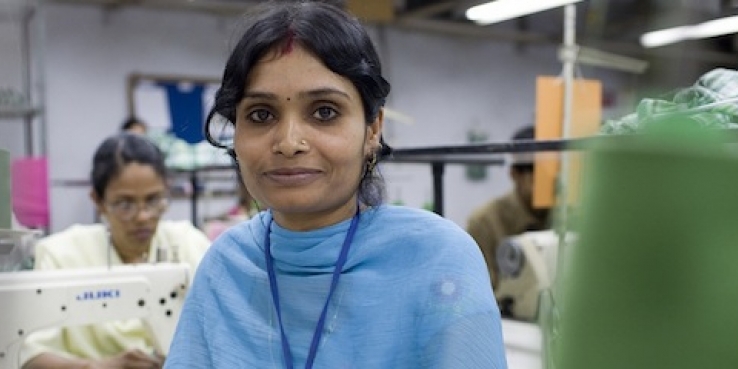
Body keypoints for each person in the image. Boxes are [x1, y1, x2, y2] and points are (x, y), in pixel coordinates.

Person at [165, 2, 506, 368]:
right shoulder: (226, 265)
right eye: (261, 114)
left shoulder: (438, 261)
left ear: (373, 129)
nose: (289, 142)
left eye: (324, 111)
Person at [20, 132, 211, 369]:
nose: (143, 216)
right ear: (98, 201)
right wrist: (98, 367)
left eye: (153, 200)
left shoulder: (188, 244)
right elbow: (32, 357)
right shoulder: (62, 255)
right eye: (125, 204)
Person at [466, 126, 551, 291]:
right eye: (536, 169)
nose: (547, 177)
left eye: (553, 168)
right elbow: (479, 294)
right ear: (515, 174)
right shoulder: (485, 223)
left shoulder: (568, 216)